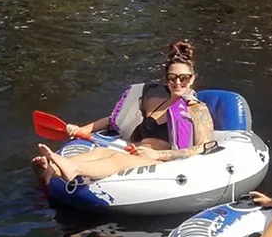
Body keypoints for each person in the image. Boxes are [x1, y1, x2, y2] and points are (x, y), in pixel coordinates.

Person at [30, 40, 215, 184]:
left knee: (117, 158)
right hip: (137, 153)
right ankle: (52, 170)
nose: (178, 82)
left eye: (184, 78)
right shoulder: (157, 101)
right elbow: (113, 121)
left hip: (165, 165)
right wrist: (82, 129)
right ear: (167, 79)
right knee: (101, 152)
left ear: (192, 79)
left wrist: (157, 155)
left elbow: (204, 147)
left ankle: (72, 169)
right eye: (172, 77)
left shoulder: (197, 110)